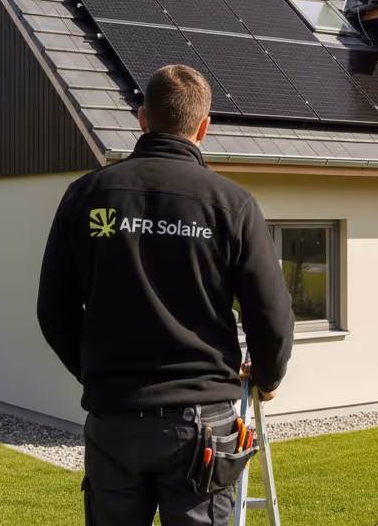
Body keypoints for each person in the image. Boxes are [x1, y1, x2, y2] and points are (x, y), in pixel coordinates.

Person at [37, 64, 294, 525]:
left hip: (113, 418)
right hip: (202, 427)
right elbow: (271, 314)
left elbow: (54, 311)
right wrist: (269, 377)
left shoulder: (86, 195)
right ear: (203, 127)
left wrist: (99, 375)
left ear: (142, 118)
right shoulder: (231, 205)